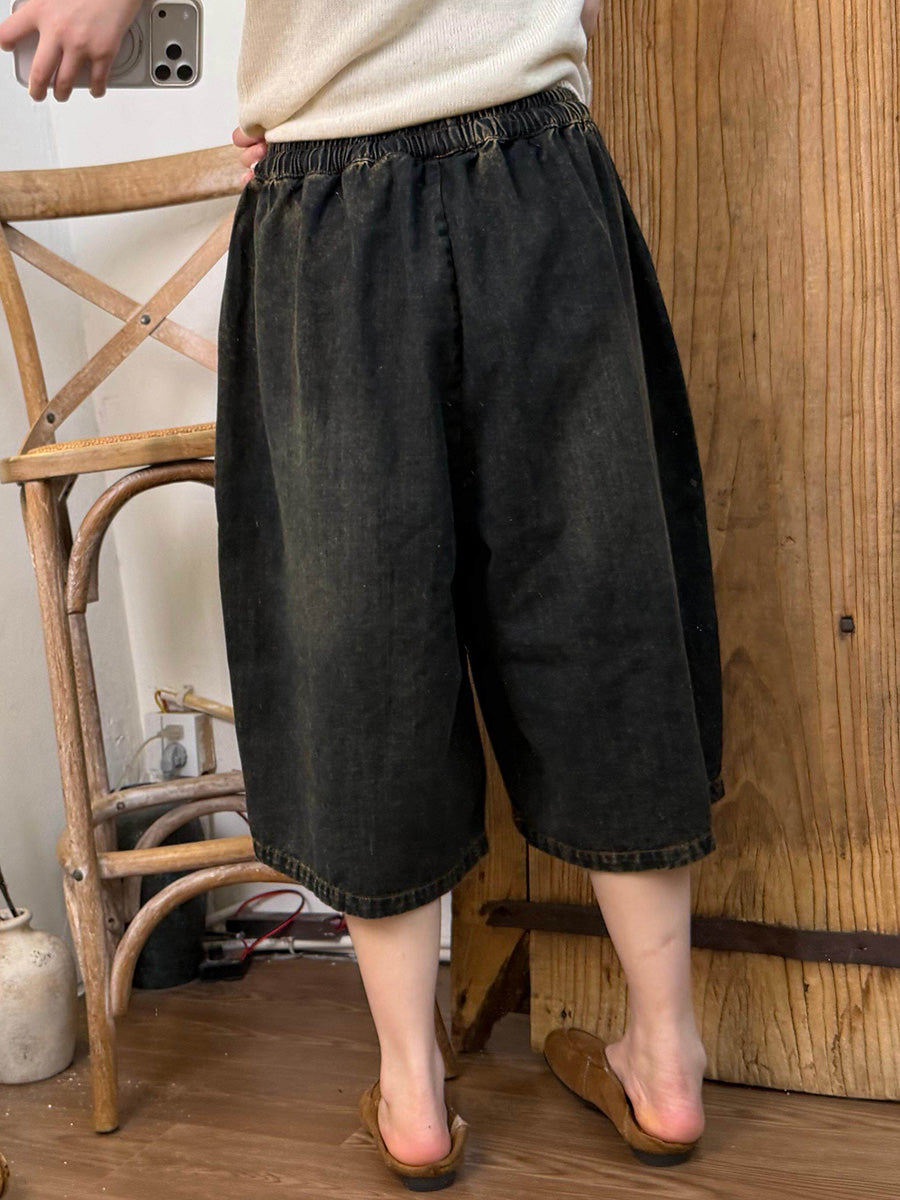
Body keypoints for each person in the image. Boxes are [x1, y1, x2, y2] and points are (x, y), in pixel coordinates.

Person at [0, 0, 725, 1187]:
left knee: (361, 645)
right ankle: (667, 1058)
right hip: (537, 168)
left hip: (333, 202)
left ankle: (413, 1090)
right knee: (602, 609)